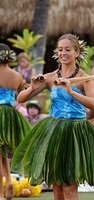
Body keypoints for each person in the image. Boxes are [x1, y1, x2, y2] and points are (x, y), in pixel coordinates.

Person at [11, 34, 94, 200]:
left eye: (68, 49)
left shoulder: (84, 78)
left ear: (77, 52)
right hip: (54, 132)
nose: (63, 52)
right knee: (57, 191)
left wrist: (71, 91)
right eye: (61, 49)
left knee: (69, 189)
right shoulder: (50, 77)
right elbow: (20, 99)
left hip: (75, 133)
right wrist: (32, 87)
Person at [0, 43, 31, 200]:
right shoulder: (17, 75)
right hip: (10, 114)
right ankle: (9, 181)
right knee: (3, 152)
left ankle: (0, 193)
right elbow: (21, 97)